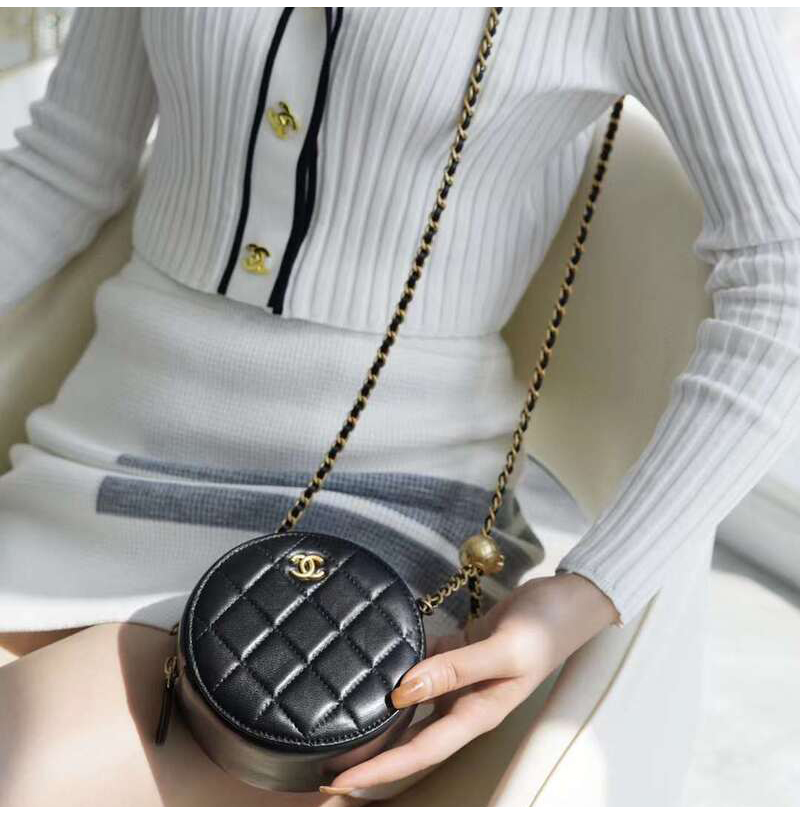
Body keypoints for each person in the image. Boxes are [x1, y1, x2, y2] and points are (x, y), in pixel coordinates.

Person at [2, 7, 800, 806]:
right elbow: (64, 163)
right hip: (86, 463)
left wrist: (590, 588)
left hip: (366, 530)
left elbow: (783, 278)